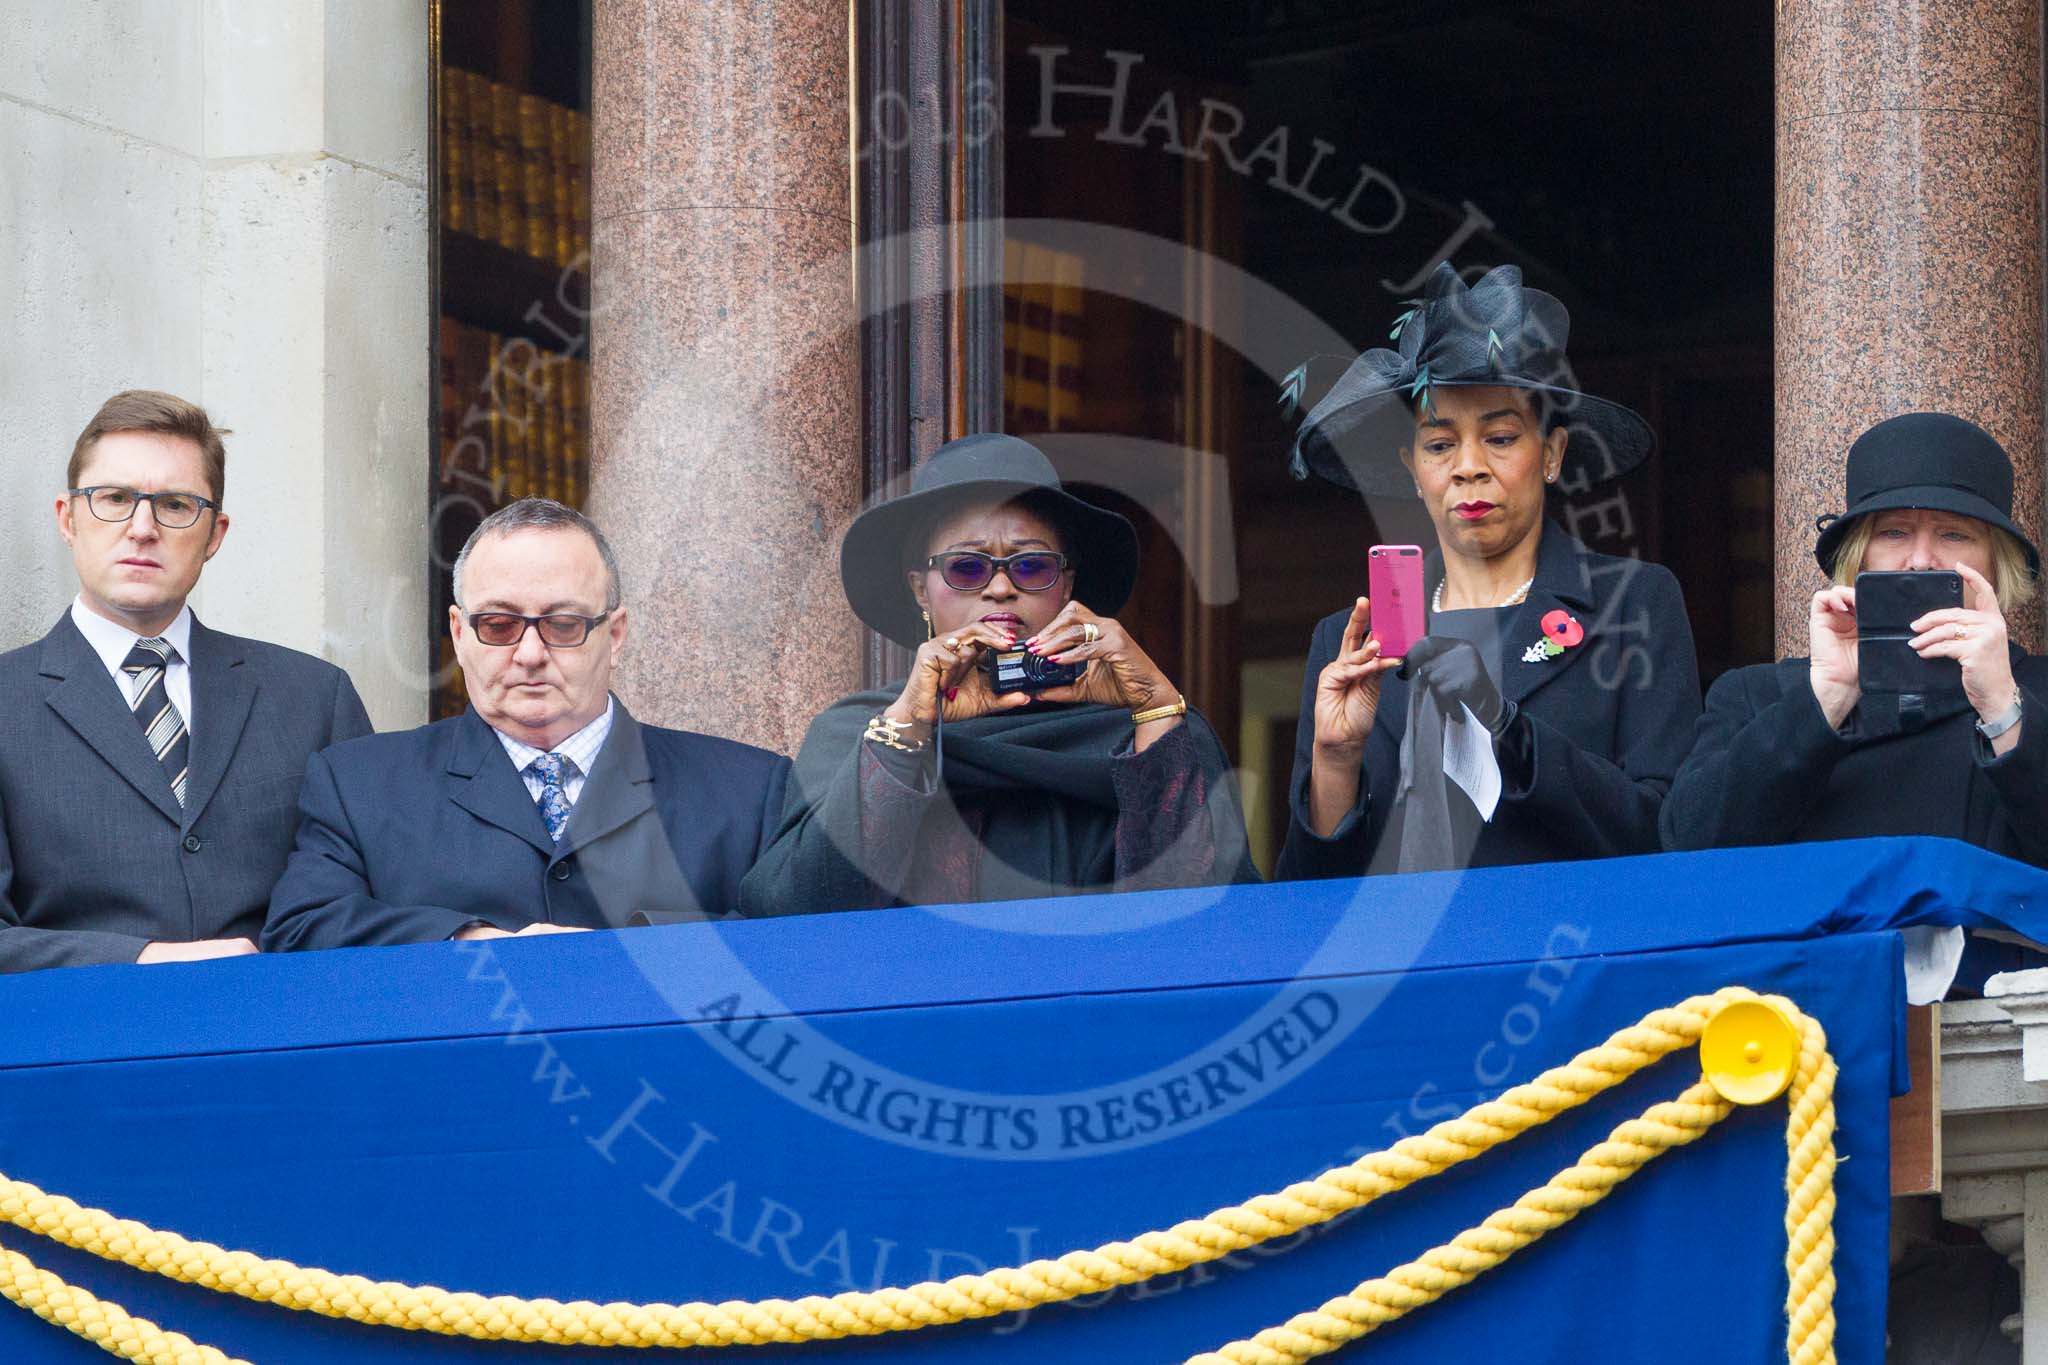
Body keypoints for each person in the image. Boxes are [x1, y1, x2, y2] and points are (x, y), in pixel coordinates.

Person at [1276, 263, 1701, 878]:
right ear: (1412, 471)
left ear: (1551, 454)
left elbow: (1668, 832)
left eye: (1500, 437)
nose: (1468, 467)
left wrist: (1507, 727)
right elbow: (1308, 896)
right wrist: (1336, 759)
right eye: (1440, 444)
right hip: (1406, 969)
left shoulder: (1632, 604)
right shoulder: (1348, 641)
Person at [740, 433, 1256, 915]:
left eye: (1031, 567)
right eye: (967, 567)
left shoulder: (1147, 729)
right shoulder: (860, 730)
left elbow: (1210, 925)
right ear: (922, 590)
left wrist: (1155, 708)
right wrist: (910, 732)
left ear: (1066, 586)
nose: (1001, 588)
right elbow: (797, 912)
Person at [263, 499, 789, 949]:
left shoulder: (752, 790)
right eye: (499, 624)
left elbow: (797, 945)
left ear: (617, 633)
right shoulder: (358, 783)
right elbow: (302, 929)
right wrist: (473, 943)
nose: (531, 653)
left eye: (563, 625)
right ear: (458, 632)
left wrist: (618, 960)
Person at [0, 390, 373, 972]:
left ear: (215, 534)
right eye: (115, 499)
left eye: (175, 505)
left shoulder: (314, 698)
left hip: (282, 1040)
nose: (142, 528)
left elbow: (368, 906)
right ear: (67, 518)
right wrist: (145, 958)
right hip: (81, 1046)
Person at [1663, 412, 2047, 862]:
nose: (1921, 560)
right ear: (1858, 557)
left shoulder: (2033, 690)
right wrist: (1824, 703)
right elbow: (1688, 846)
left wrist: (2004, 711)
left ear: (1994, 564)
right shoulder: (1757, 695)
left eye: (1954, 534)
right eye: (1894, 532)